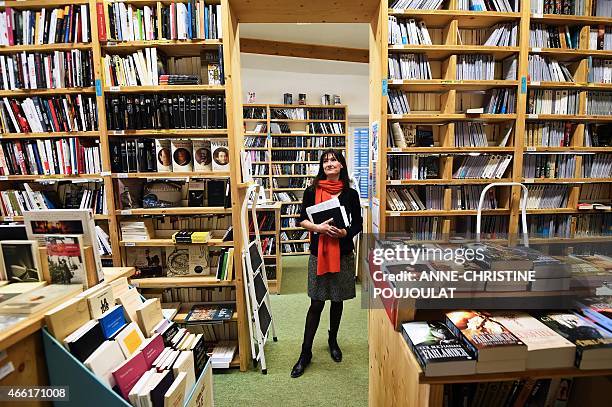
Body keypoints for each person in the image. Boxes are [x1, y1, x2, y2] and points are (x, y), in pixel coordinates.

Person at [290, 149, 363, 378]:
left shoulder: (350, 194)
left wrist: (345, 232)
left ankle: (333, 340)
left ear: (341, 165)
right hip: (318, 253)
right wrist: (319, 229)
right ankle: (305, 352)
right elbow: (300, 219)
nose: (329, 163)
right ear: (322, 167)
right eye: (325, 160)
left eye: (334, 160)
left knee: (338, 300)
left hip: (343, 252)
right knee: (316, 303)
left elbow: (358, 223)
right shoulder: (311, 191)